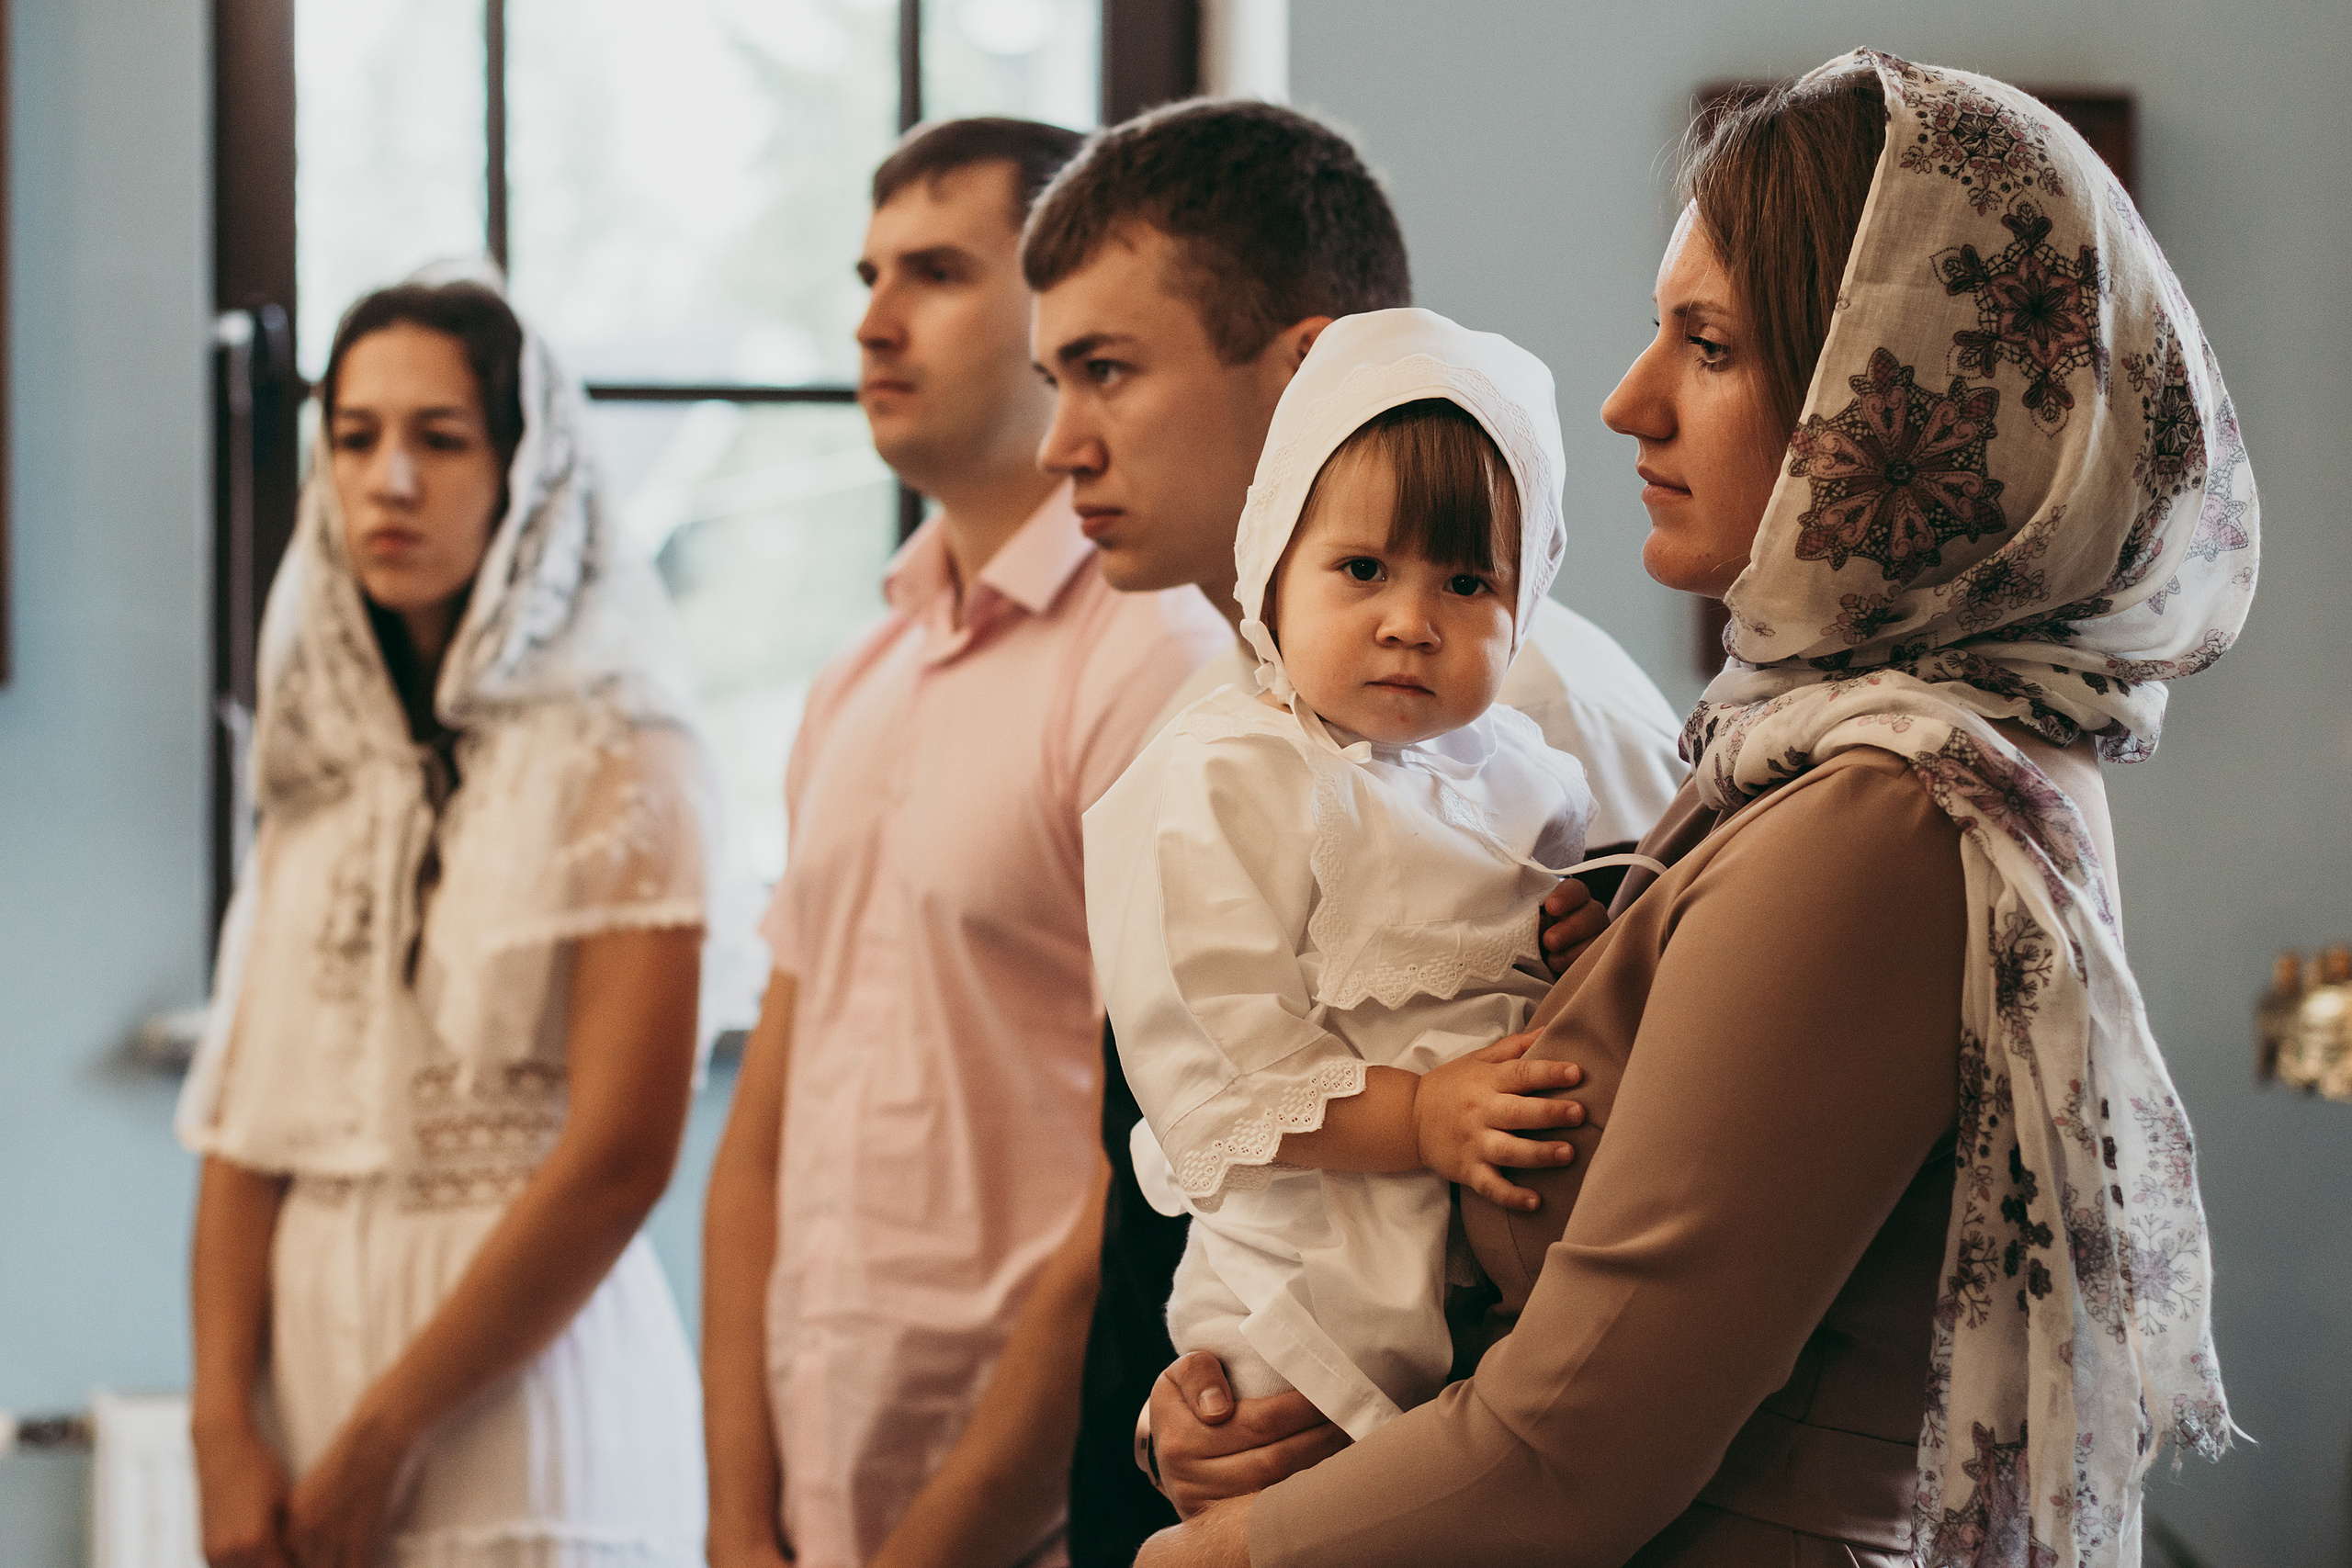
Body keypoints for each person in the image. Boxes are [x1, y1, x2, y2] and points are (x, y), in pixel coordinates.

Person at [1136, 51, 2248, 1568]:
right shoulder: (1886, 755)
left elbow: (1573, 1443)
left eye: (1709, 346)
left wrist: (1204, 1554)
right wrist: (1254, 1383)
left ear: (1892, 398)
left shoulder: (1889, 815)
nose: (1626, 401)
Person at [697, 118, 1231, 1568]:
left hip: (1024, 1514)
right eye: (868, 275)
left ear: (1059, 316)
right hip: (810, 1495)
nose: (874, 321)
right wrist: (737, 1514)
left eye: (935, 273)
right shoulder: (853, 676)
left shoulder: (1155, 656)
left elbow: (1146, 1171)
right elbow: (760, 1133)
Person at [181, 276, 718, 1568]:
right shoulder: (326, 772)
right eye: (355, 438)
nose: (391, 480)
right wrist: (219, 1423)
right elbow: (247, 1130)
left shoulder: (626, 750)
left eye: (440, 437)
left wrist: (389, 1435)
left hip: (526, 1408)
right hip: (298, 1404)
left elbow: (621, 1154)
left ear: (522, 471)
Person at [1090, 308, 1674, 1443]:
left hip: (1475, 1279)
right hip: (1300, 1269)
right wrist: (1419, 1117)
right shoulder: (1224, 776)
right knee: (1275, 1470)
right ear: (1272, 567)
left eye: (1467, 584)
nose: (1410, 623)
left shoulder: (1530, 772)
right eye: (1361, 570)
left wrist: (1572, 943)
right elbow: (1219, 1056)